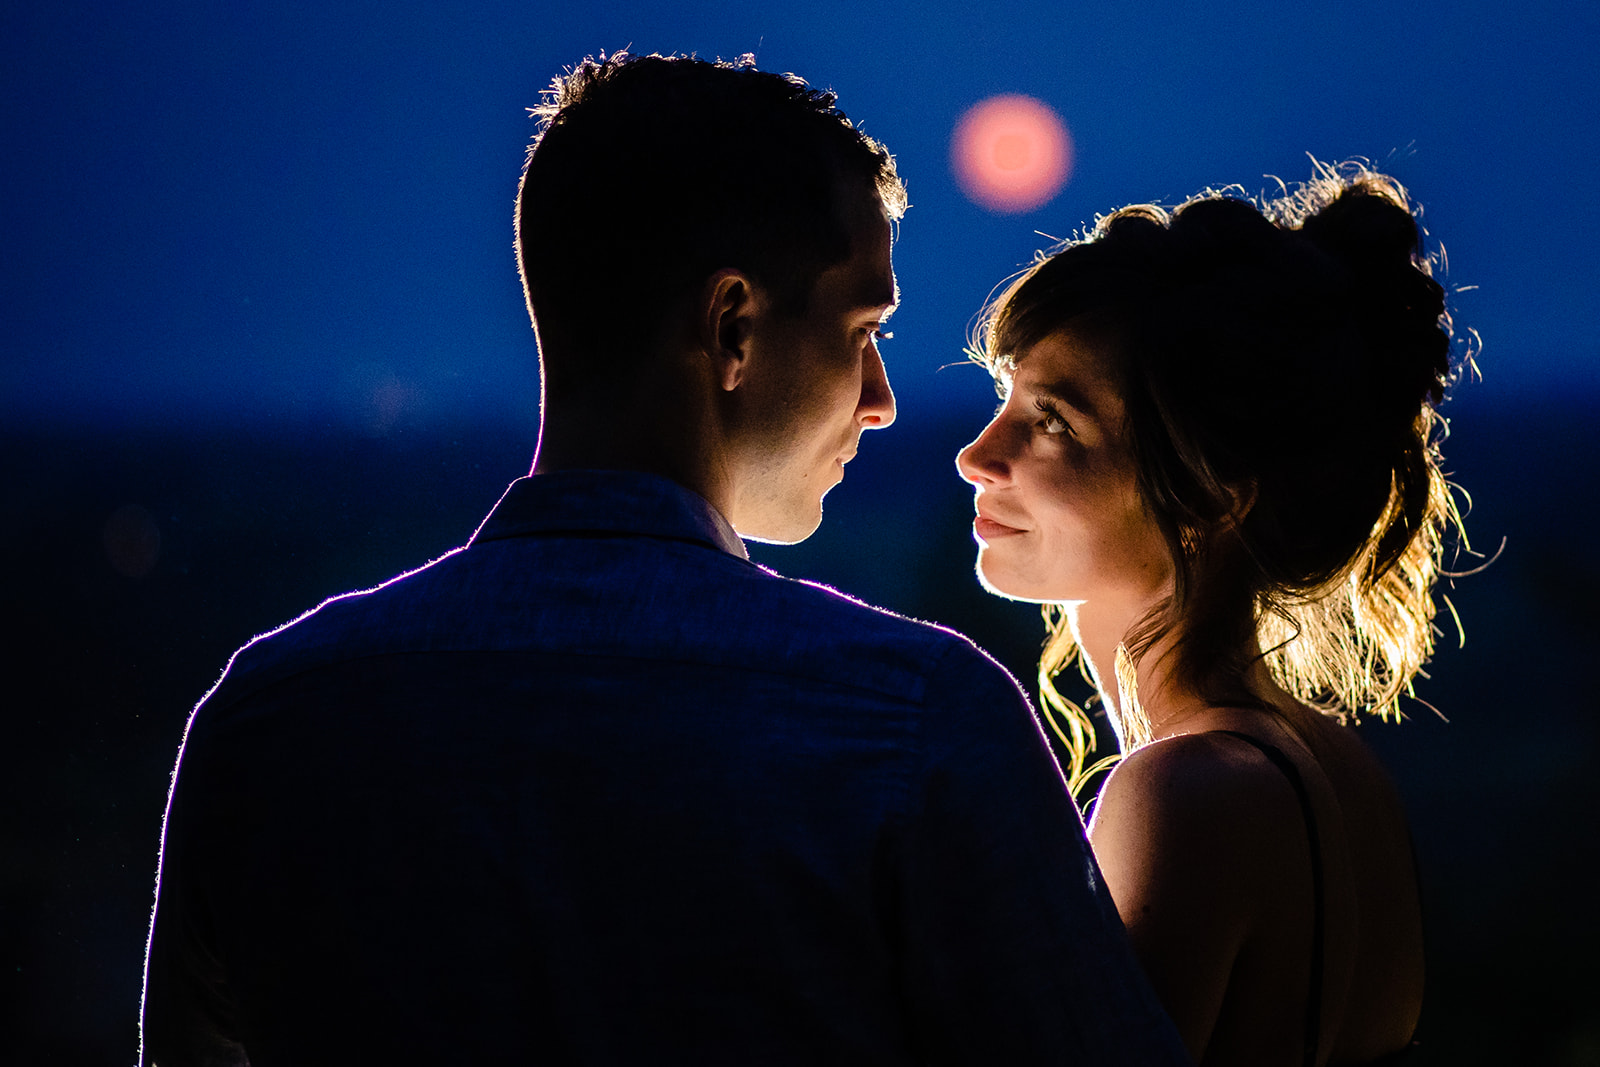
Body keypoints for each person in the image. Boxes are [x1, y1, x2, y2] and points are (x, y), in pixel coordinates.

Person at [140, 52, 1189, 1066]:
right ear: (731, 327)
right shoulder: (912, 722)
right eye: (861, 327)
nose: (882, 399)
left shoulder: (269, 719)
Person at [956, 162, 1465, 1065]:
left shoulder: (1186, 791)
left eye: (1054, 422)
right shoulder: (1339, 768)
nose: (976, 454)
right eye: (1005, 401)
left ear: (1211, 497)